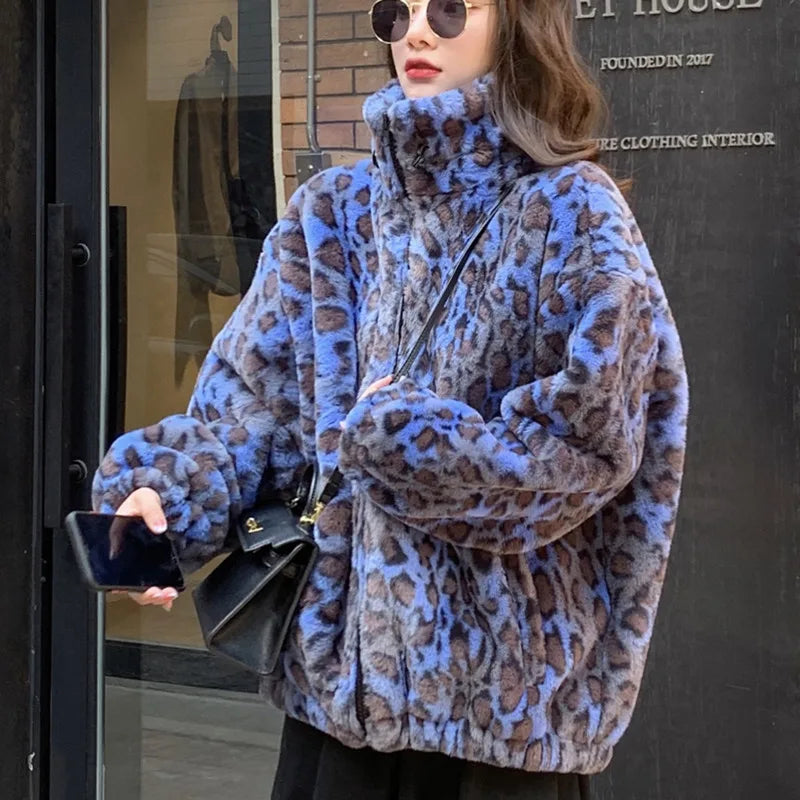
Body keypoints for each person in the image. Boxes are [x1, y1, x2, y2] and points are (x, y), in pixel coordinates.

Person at [92, 0, 688, 797]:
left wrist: (405, 443)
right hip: (339, 704)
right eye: (393, 12)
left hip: (500, 717)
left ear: (517, 22)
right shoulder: (332, 215)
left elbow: (587, 451)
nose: (417, 31)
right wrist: (166, 497)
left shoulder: (572, 211)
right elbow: (251, 412)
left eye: (449, 9)